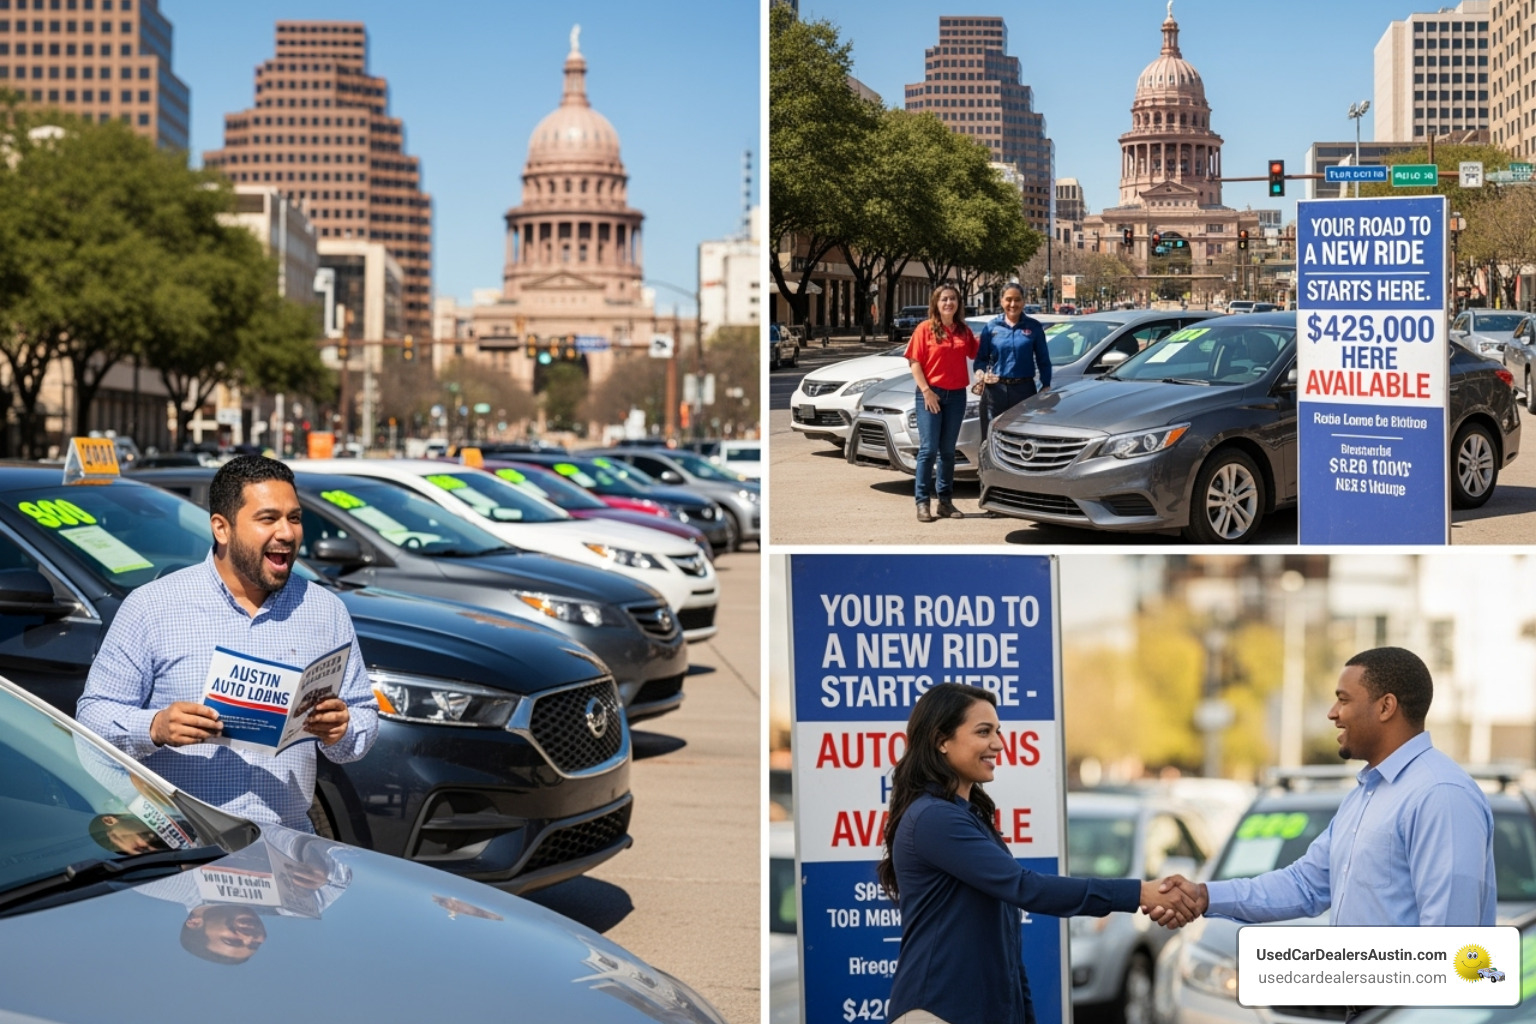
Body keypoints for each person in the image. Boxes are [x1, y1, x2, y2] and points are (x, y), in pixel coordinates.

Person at [1152, 647, 1496, 1021]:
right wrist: (1203, 896)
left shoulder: (1440, 794)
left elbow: (1450, 947)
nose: (1333, 714)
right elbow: (1304, 884)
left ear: (1386, 707)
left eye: (1343, 701)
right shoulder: (1366, 796)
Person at [77, 455, 378, 833]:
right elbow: (90, 718)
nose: (286, 533)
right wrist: (155, 727)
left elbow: (362, 718)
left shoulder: (326, 611)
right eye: (268, 519)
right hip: (180, 843)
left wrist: (342, 730)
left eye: (295, 518)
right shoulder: (151, 607)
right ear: (222, 527)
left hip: (287, 839)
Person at [880, 684, 1199, 1024]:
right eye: (983, 732)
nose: (998, 744)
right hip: (938, 1011)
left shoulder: (964, 814)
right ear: (941, 740)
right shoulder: (934, 818)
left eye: (998, 731)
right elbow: (1026, 888)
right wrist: (1138, 893)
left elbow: (1005, 940)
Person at [906, 284, 978, 523]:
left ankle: (944, 502)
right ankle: (922, 502)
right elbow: (914, 363)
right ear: (936, 303)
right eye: (944, 299)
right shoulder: (924, 329)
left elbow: (978, 353)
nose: (949, 303)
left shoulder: (963, 331)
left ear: (958, 304)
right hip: (930, 394)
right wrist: (926, 391)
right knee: (928, 450)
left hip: (956, 395)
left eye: (953, 299)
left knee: (948, 452)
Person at [973, 283, 1052, 441]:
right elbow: (980, 359)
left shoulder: (1034, 327)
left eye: (1017, 299)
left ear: (1023, 302)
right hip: (995, 392)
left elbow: (1044, 360)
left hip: (1024, 391)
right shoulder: (991, 327)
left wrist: (1046, 386)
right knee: (990, 439)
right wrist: (981, 374)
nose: (1013, 304)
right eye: (1008, 299)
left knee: (1022, 439)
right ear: (1001, 301)